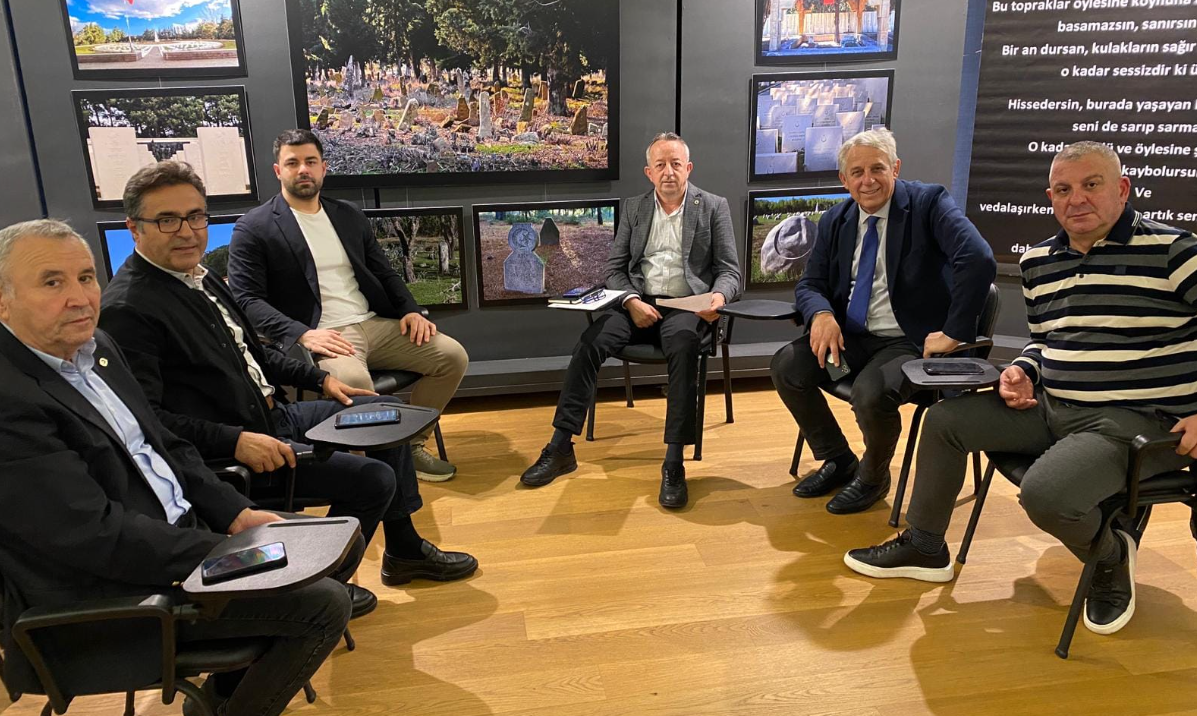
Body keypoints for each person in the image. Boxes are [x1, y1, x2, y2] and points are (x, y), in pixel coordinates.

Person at [0, 219, 356, 716]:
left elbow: (165, 444)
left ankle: (223, 700)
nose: (79, 298)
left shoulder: (96, 347)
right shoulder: (0, 399)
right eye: (52, 282)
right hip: (113, 595)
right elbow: (91, 536)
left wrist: (235, 513)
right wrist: (220, 551)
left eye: (86, 277)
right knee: (324, 604)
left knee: (335, 543)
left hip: (178, 538)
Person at [845, 142, 1197, 637]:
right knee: (945, 422)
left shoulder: (1174, 252)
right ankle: (925, 546)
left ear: (1122, 189)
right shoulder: (1039, 262)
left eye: (1091, 185)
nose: (1076, 199)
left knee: (1046, 495)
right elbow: (1046, 340)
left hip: (1134, 421)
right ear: (1050, 198)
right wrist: (1025, 370)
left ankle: (1110, 556)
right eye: (1063, 189)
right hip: (1052, 406)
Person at [98, 162, 477, 591]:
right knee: (375, 479)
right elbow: (147, 423)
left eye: (195, 216)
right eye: (167, 220)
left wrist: (320, 381)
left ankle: (403, 550)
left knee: (385, 414)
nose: (187, 232)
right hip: (237, 452)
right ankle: (323, 586)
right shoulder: (129, 309)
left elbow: (254, 355)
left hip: (274, 416)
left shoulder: (200, 278)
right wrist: (235, 441)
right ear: (134, 228)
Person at [770, 129, 996, 514]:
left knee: (870, 395)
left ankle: (873, 477)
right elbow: (810, 283)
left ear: (896, 168)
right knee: (787, 367)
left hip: (909, 340)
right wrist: (821, 314)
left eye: (877, 168)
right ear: (844, 180)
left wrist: (954, 333)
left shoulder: (929, 203)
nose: (868, 180)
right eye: (857, 172)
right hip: (852, 338)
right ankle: (838, 459)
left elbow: (978, 259)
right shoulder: (836, 219)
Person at [227, 129, 468, 482]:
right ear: (278, 171)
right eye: (292, 163)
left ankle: (411, 446)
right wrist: (302, 333)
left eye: (310, 162)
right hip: (324, 334)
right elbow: (246, 300)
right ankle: (377, 471)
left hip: (374, 323)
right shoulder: (253, 227)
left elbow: (384, 271)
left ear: (323, 168)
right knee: (354, 382)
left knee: (452, 356)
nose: (303, 169)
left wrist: (410, 310)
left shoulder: (347, 214)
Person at [519, 132, 741, 509]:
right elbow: (614, 269)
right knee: (589, 345)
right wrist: (631, 300)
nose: (668, 172)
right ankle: (560, 447)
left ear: (688, 168)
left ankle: (673, 462)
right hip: (638, 303)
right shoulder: (635, 208)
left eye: (675, 164)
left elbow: (730, 271)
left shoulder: (713, 206)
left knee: (684, 346)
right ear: (648, 172)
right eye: (660, 165)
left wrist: (718, 298)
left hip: (686, 307)